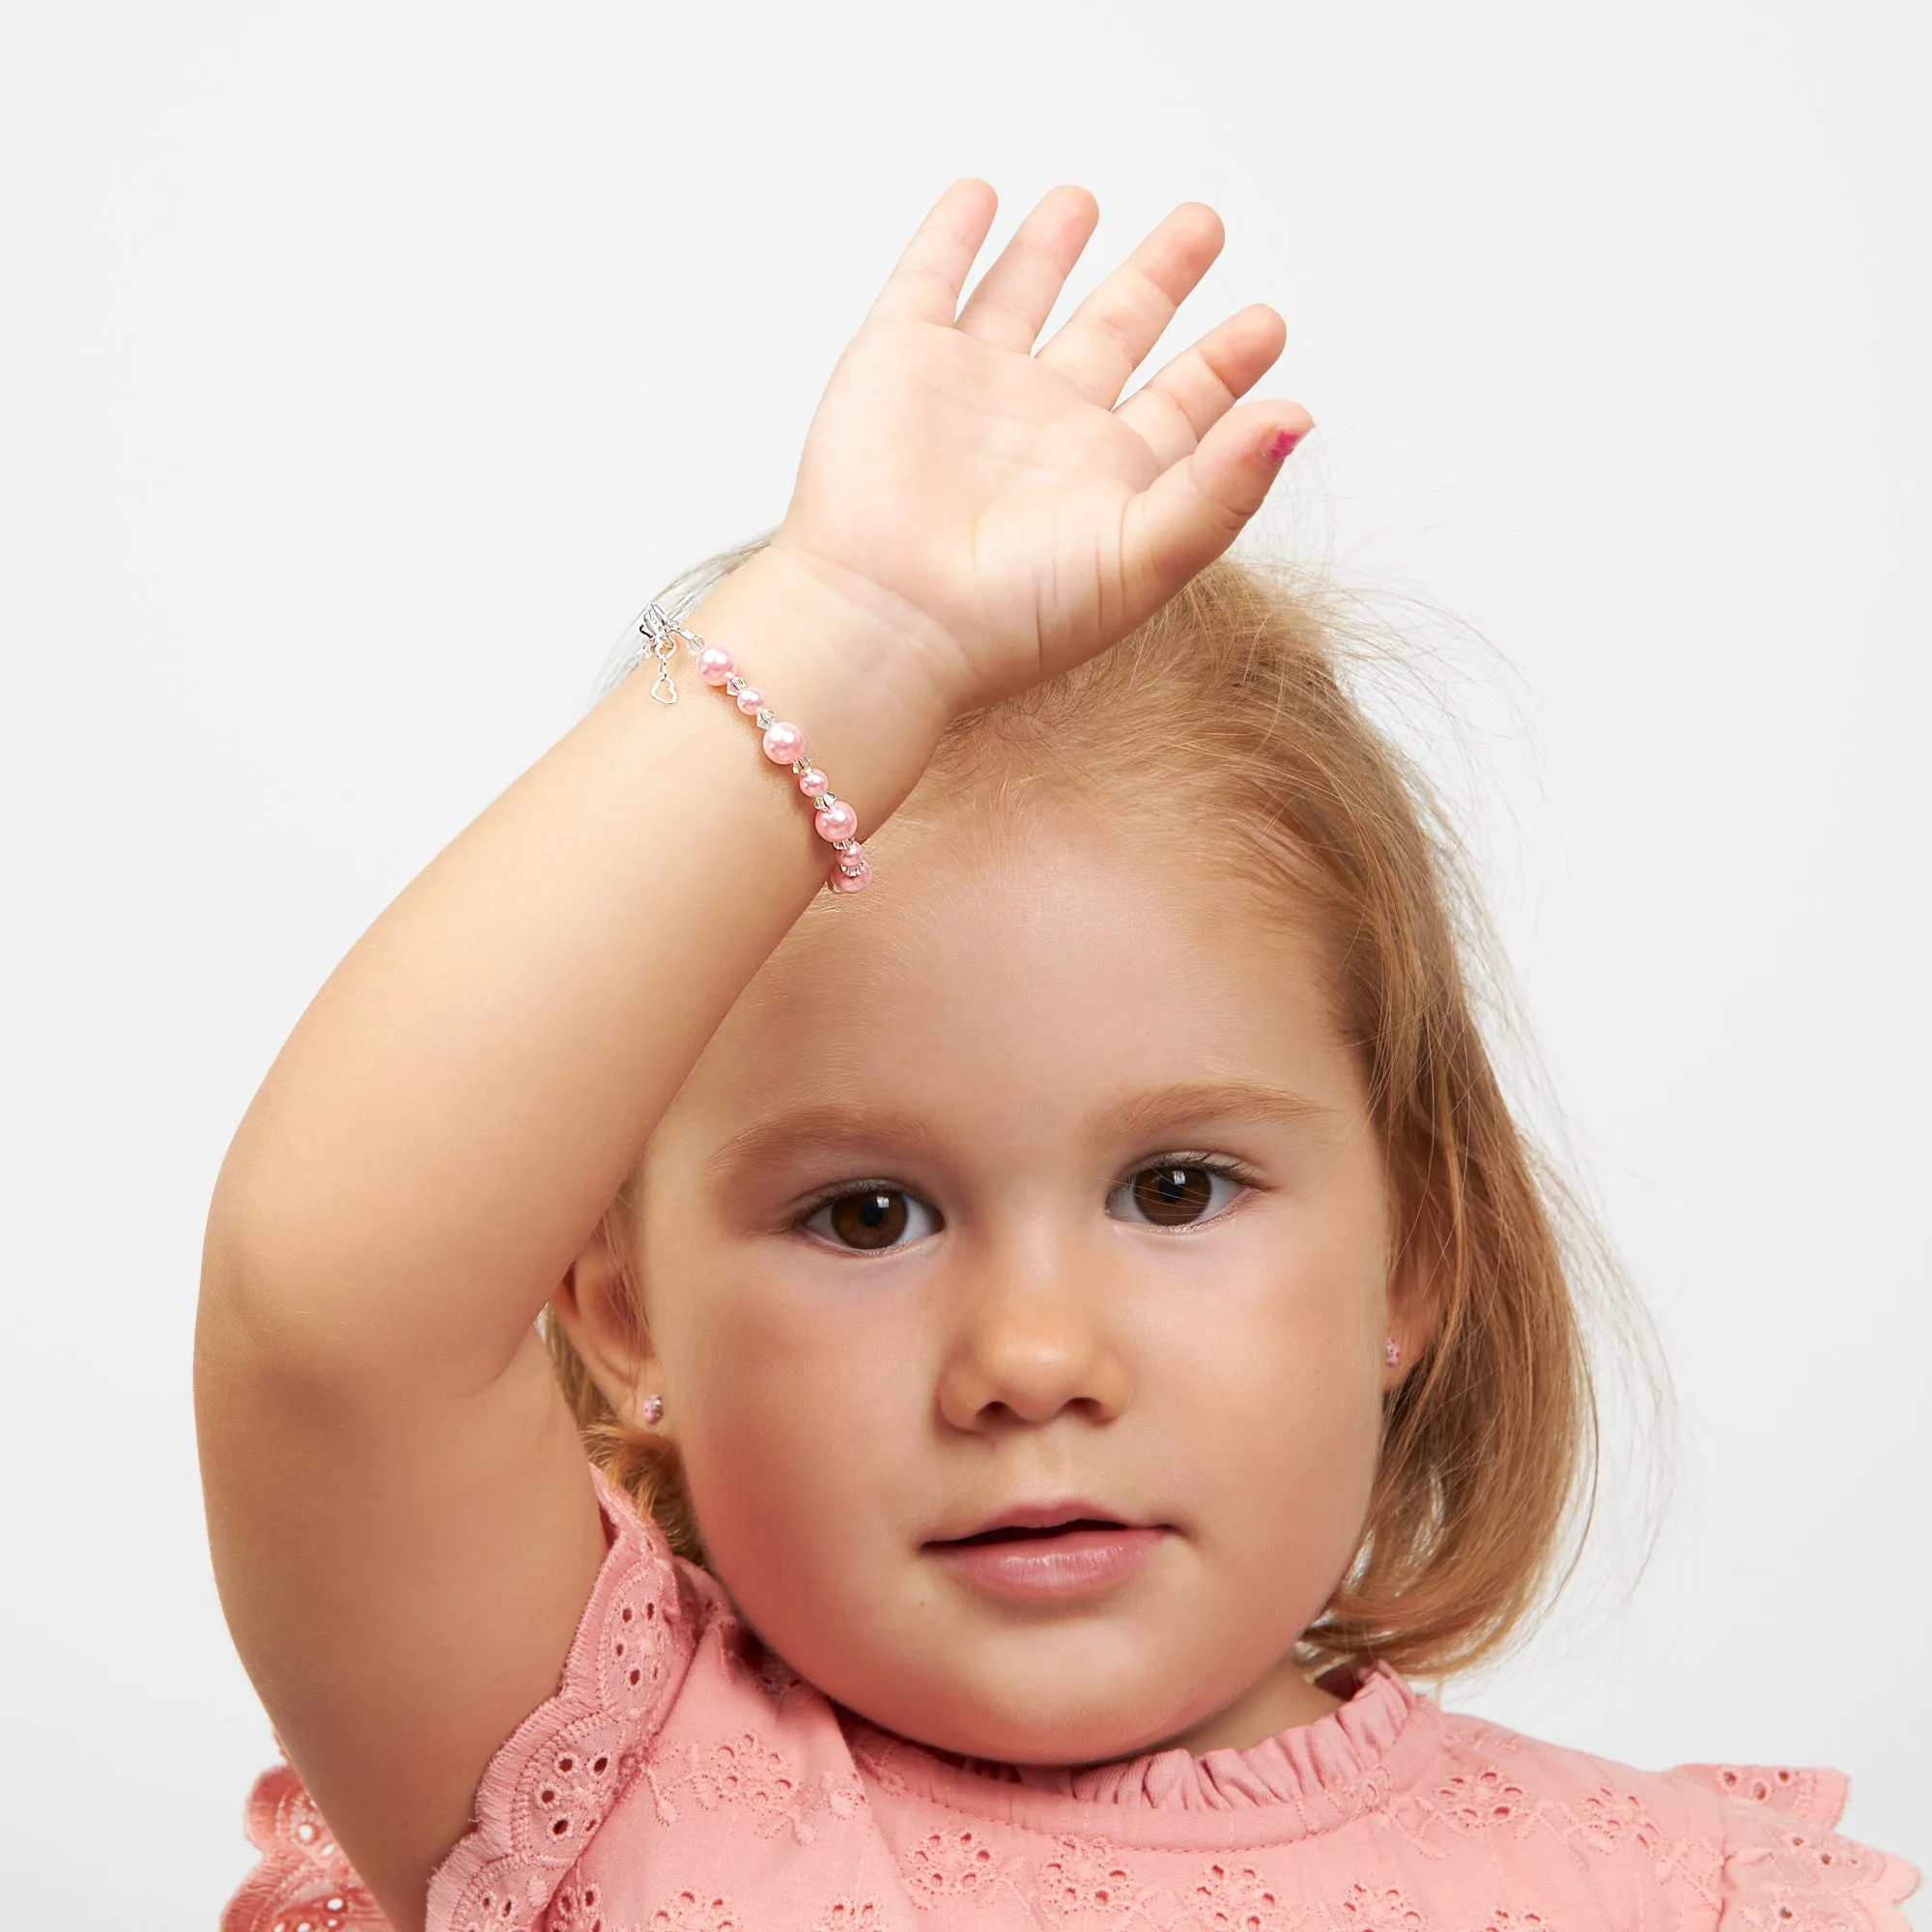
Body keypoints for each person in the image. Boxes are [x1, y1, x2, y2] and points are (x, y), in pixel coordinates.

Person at [196, 179, 1918, 1932]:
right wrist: (856, 631)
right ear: (625, 1315)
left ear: (1417, 1255)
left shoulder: (1694, 1899)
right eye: (866, 1215)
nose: (1031, 1359)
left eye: (1176, 1188)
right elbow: (333, 1312)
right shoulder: (602, 1782)